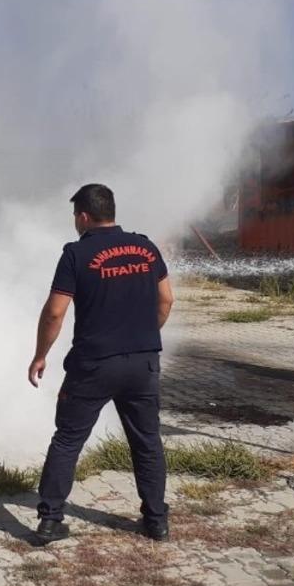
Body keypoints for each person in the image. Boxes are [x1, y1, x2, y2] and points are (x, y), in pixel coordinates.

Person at [27, 184, 175, 543]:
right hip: (143, 363)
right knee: (147, 441)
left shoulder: (76, 254)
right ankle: (156, 521)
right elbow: (166, 300)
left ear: (83, 216)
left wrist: (40, 354)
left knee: (67, 440)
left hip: (93, 365)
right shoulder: (146, 247)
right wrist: (142, 336)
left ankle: (50, 521)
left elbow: (55, 312)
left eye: (74, 216)